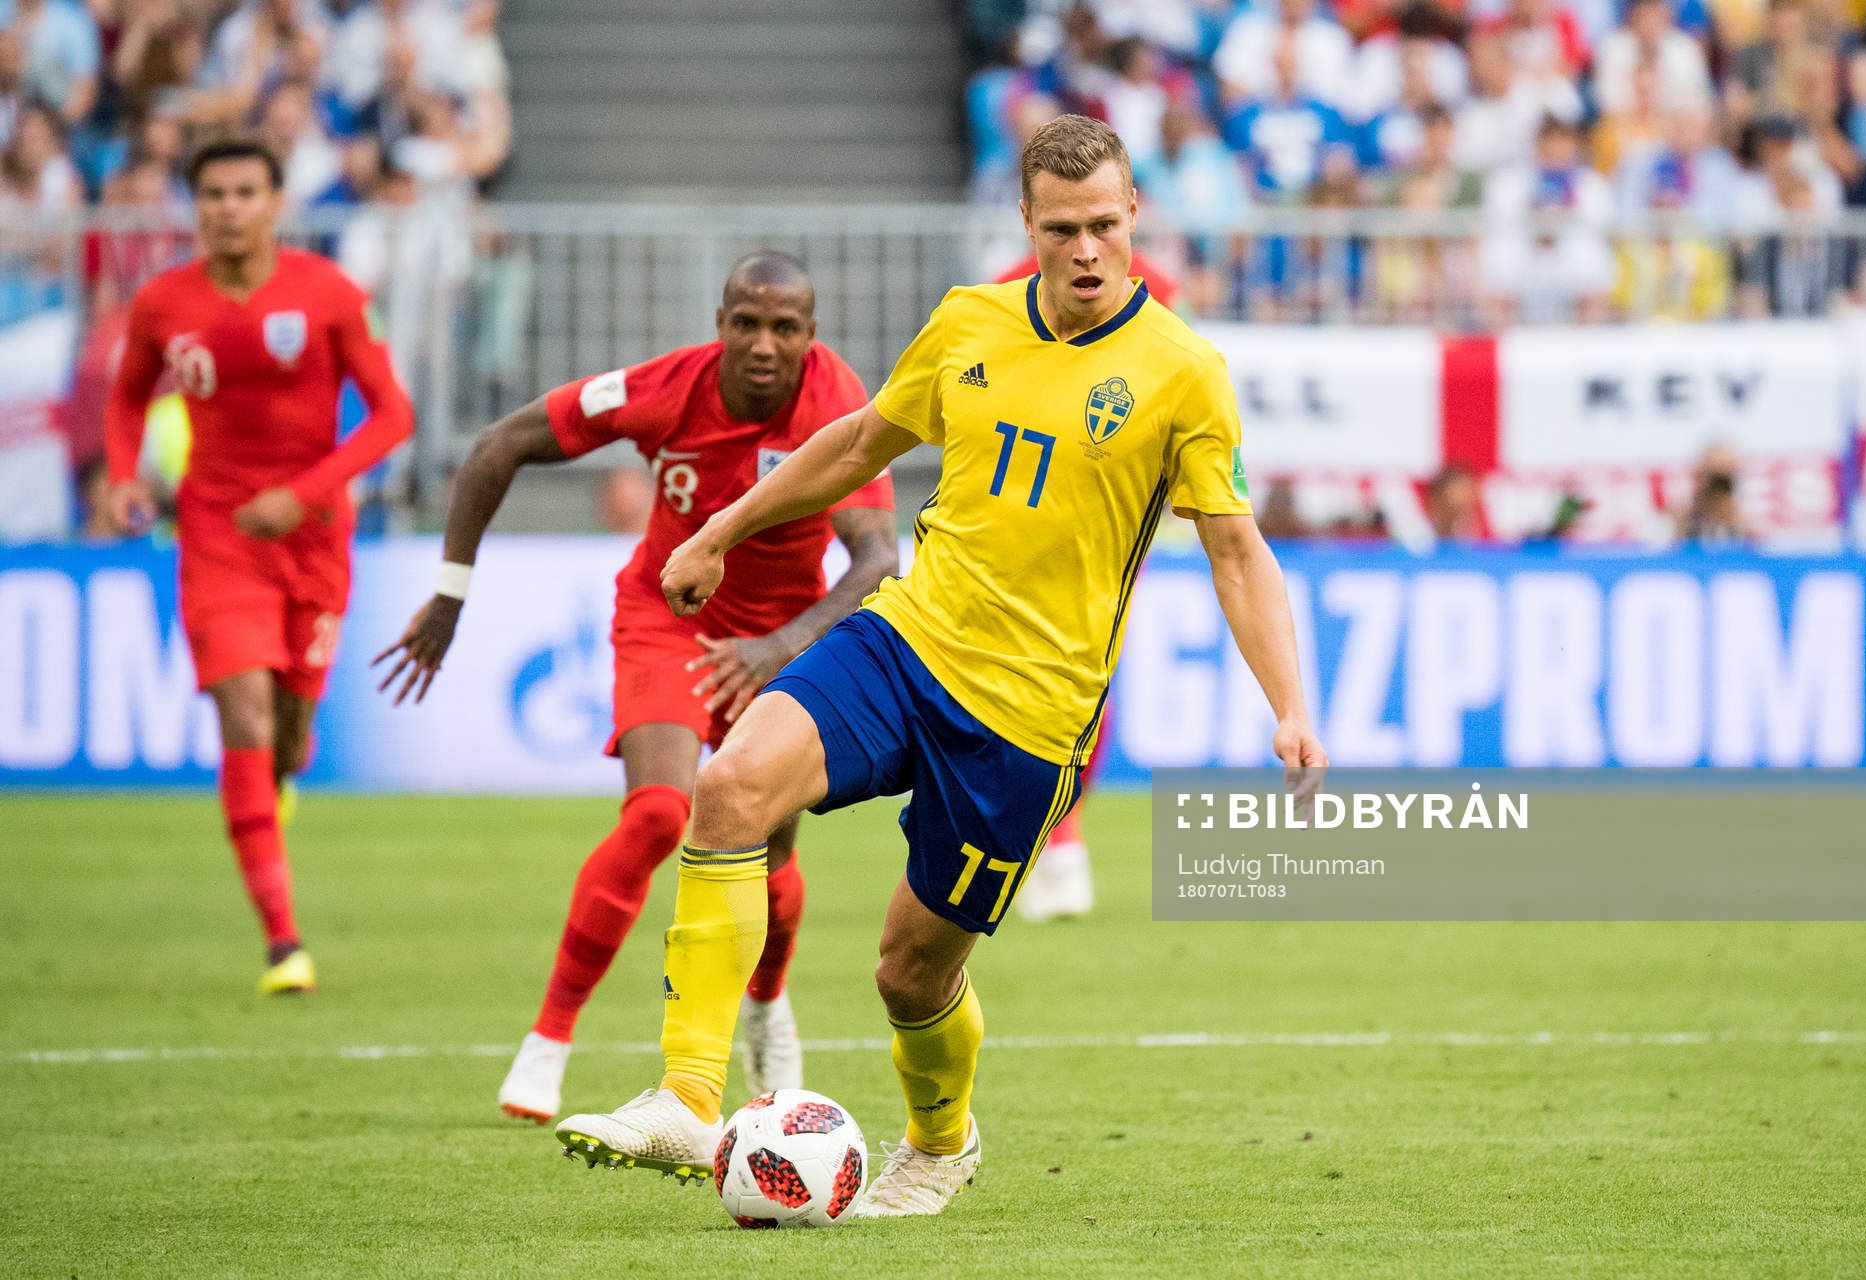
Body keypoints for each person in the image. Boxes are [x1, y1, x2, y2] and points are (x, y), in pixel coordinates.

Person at [552, 114, 1325, 1216]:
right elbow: (861, 442)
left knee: (910, 970)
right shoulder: (969, 321)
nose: (1088, 250)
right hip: (905, 640)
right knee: (728, 785)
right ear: (1028, 223)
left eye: (1106, 224)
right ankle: (686, 1093)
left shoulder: (1184, 373)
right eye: (1064, 229)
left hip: (1028, 718)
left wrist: (1290, 703)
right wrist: (717, 528)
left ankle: (941, 1140)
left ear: (1135, 215)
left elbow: (1236, 549)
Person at [372, 252, 898, 1125]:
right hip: (672, 618)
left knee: (768, 861)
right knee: (659, 814)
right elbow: (501, 444)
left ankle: (766, 1006)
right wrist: (452, 590)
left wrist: (780, 646)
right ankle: (549, 1041)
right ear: (720, 320)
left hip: (782, 640)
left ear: (812, 336)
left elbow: (878, 557)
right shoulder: (666, 389)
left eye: (785, 328)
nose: (763, 344)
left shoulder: (837, 407)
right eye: (746, 323)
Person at [101, 134, 414, 996]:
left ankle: (278, 779)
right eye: (213, 195)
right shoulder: (163, 303)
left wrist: (306, 490)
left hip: (314, 538)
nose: (228, 208)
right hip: (217, 534)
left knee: (290, 734)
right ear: (196, 206)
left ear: (276, 203)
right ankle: (284, 943)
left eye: (245, 192)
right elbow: (128, 397)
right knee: (243, 716)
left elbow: (392, 417)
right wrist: (126, 476)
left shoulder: (330, 294)